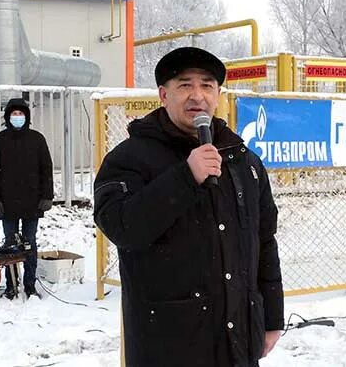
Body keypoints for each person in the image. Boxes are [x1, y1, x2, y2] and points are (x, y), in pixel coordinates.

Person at [94, 46, 284, 366]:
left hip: (237, 342)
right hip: (169, 345)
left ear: (218, 94)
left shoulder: (243, 161)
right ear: (163, 95)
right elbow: (122, 226)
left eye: (207, 85)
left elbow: (264, 241)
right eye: (185, 85)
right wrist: (185, 176)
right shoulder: (129, 158)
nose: (197, 95)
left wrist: (271, 319)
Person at [0, 97, 54, 299]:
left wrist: (47, 196)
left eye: (21, 114)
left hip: (33, 202)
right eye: (14, 114)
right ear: (8, 117)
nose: (18, 117)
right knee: (10, 246)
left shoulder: (37, 139)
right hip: (6, 204)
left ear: (27, 117)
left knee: (29, 243)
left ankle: (30, 284)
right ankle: (11, 285)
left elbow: (46, 170)